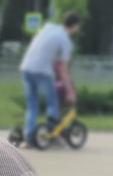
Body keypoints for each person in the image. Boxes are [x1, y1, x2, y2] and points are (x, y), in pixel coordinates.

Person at [19, 12, 80, 146]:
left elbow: (44, 49)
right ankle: (51, 135)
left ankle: (30, 138)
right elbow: (63, 69)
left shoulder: (49, 27)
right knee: (52, 102)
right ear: (75, 27)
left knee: (32, 105)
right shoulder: (65, 40)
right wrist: (70, 91)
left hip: (26, 67)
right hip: (42, 71)